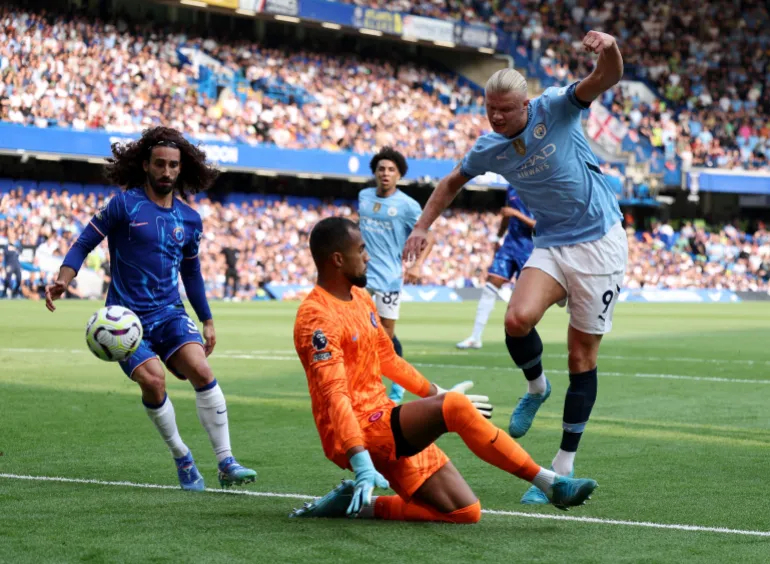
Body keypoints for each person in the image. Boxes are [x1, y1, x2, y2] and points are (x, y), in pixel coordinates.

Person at [403, 31, 627, 505]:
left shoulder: (557, 107)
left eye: (506, 110)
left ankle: (562, 467)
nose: (498, 118)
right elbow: (450, 184)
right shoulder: (489, 147)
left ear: (526, 104)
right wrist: (423, 227)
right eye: (491, 111)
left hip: (600, 242)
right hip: (551, 242)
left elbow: (607, 76)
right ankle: (536, 386)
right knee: (515, 319)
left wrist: (607, 48)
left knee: (581, 358)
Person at [290, 217, 597, 522]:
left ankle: (352, 507)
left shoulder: (360, 298)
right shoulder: (317, 317)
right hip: (355, 432)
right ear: (338, 259)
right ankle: (550, 483)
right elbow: (335, 396)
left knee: (464, 512)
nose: (368, 256)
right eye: (362, 249)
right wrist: (359, 460)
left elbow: (388, 359)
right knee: (455, 408)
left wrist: (436, 392)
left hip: (380, 416)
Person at [45, 126, 257, 491]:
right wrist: (64, 279)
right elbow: (83, 243)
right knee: (153, 379)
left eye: (173, 165)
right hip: (126, 320)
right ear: (145, 165)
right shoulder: (123, 205)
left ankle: (226, 462)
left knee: (202, 371)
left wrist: (207, 319)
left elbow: (192, 273)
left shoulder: (190, 219)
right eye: (159, 164)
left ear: (181, 169)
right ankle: (182, 457)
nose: (166, 171)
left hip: (171, 313)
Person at [358, 147, 434, 404]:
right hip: (362, 277)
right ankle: (367, 383)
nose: (386, 174)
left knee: (385, 338)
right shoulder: (364, 196)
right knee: (360, 330)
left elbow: (430, 235)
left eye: (391, 170)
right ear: (375, 173)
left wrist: (417, 265)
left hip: (389, 279)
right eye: (381, 169)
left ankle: (398, 385)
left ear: (399, 175)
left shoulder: (407, 205)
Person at [456, 185, 535, 349]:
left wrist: (516, 214)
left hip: (531, 248)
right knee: (490, 286)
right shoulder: (512, 188)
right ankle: (475, 337)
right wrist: (498, 237)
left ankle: (522, 342)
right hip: (509, 245)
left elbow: (540, 226)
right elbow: (507, 215)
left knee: (523, 300)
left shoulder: (540, 188)